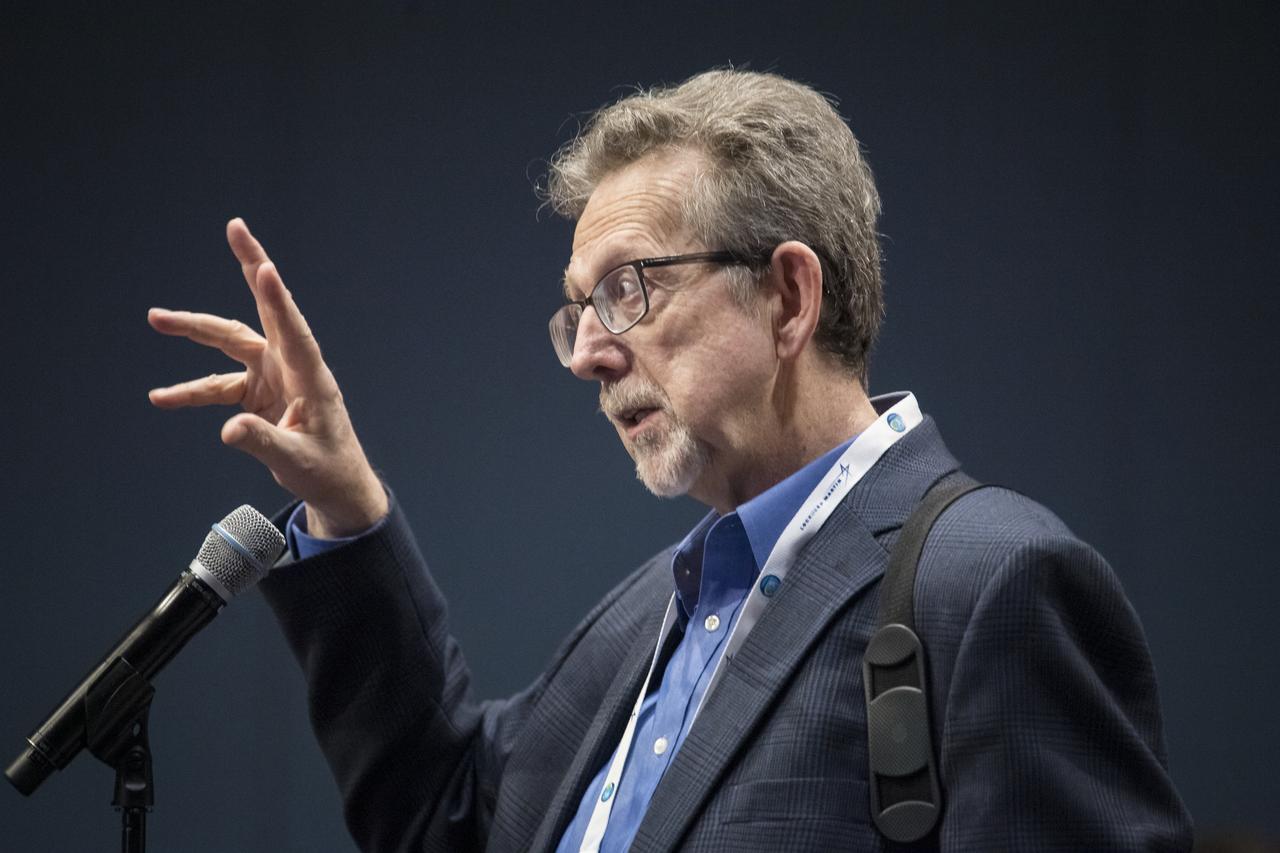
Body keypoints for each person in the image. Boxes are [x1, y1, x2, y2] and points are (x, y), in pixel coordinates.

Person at [147, 70, 1192, 851]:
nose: (591, 351)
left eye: (628, 289)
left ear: (787, 296)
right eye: (579, 308)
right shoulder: (656, 611)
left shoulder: (991, 582)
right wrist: (344, 503)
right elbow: (449, 817)